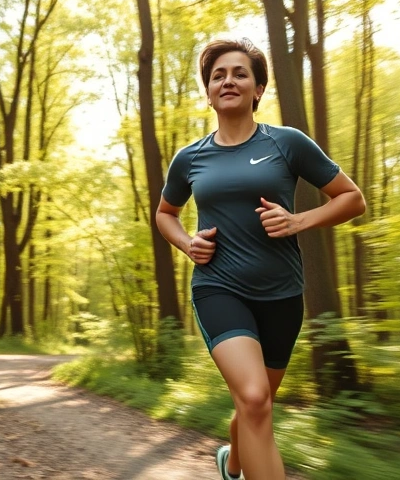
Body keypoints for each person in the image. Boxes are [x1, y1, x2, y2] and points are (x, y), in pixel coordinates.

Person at [155, 38, 365, 480]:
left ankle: (232, 463)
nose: (228, 80)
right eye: (218, 75)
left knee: (257, 404)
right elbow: (165, 214)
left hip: (282, 294)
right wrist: (186, 243)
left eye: (239, 73)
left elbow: (352, 199)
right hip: (218, 287)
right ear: (209, 91)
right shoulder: (189, 158)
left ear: (258, 89)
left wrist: (299, 221)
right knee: (253, 398)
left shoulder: (287, 143)